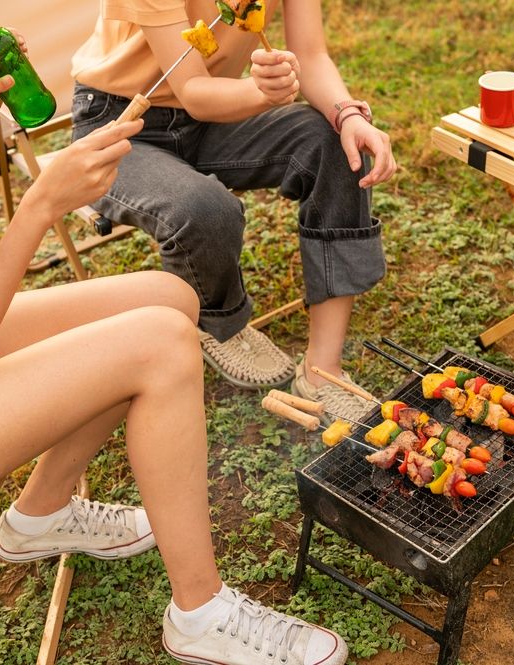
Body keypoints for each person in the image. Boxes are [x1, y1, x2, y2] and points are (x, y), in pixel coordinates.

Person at [0, 2, 347, 663]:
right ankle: (201, 613)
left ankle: (40, 515)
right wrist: (40, 206)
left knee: (170, 297)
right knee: (158, 344)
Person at [71, 0, 397, 420]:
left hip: (213, 116)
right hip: (120, 122)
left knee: (336, 144)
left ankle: (323, 369)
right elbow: (192, 92)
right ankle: (219, 322)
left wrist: (348, 115)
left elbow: (311, 55)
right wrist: (261, 92)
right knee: (204, 208)